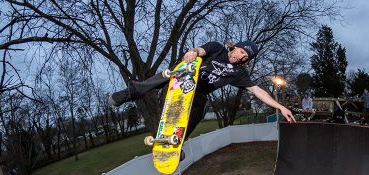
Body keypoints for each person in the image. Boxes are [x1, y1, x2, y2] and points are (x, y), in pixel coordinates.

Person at [108, 41, 295, 144]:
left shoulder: (239, 73)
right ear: (235, 46)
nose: (241, 56)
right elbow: (200, 50)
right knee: (170, 74)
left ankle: (176, 141)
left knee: (201, 108)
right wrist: (193, 53)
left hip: (198, 92)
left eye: (245, 57)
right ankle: (128, 94)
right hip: (186, 77)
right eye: (241, 51)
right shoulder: (217, 48)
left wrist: (280, 107)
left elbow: (257, 91)